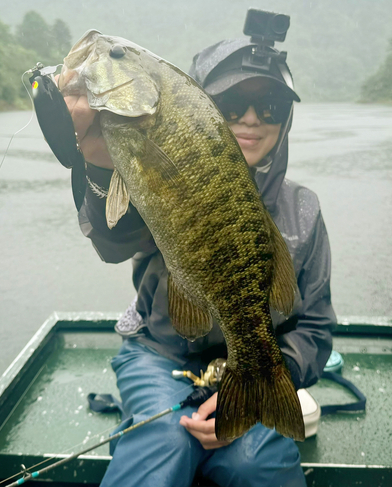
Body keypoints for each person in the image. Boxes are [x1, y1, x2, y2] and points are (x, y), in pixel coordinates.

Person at [62, 38, 336, 487]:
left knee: (257, 462)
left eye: (270, 105)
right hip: (158, 353)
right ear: (200, 106)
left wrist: (261, 380)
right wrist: (97, 166)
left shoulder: (303, 210)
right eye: (231, 103)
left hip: (256, 365)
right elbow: (114, 237)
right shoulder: (163, 168)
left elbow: (315, 328)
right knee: (162, 442)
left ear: (286, 119)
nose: (251, 118)